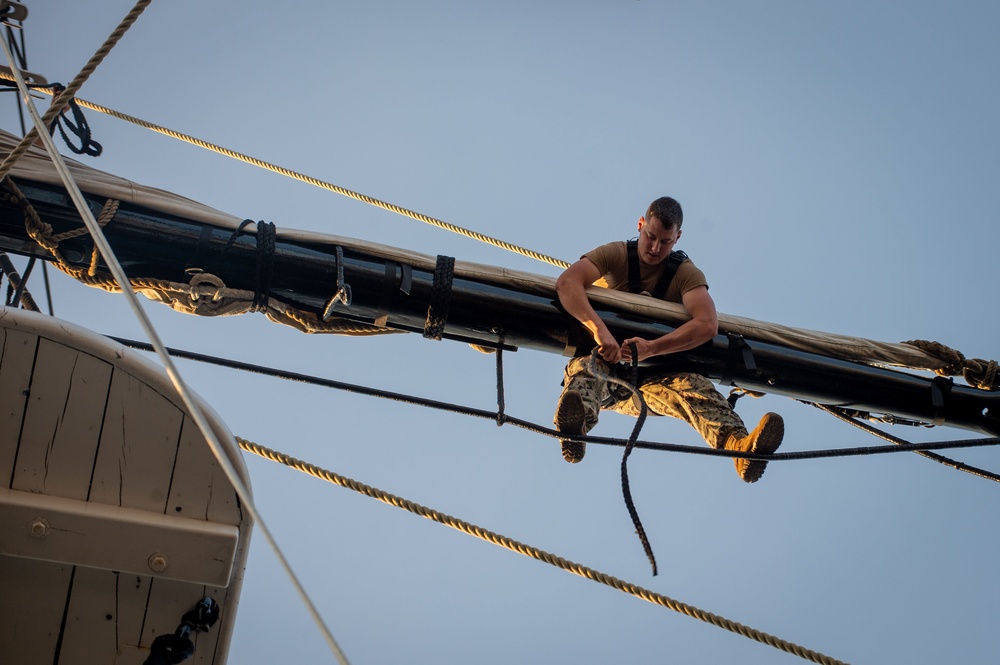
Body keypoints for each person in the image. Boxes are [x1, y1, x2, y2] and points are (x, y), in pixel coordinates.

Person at [552, 196, 783, 482]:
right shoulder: (616, 255)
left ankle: (741, 450)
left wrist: (651, 348)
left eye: (665, 241)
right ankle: (575, 430)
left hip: (655, 379)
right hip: (608, 367)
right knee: (590, 368)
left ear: (677, 238)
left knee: (693, 387)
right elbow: (567, 283)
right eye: (650, 237)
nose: (655, 248)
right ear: (640, 225)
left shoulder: (684, 273)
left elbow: (707, 324)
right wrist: (600, 330)